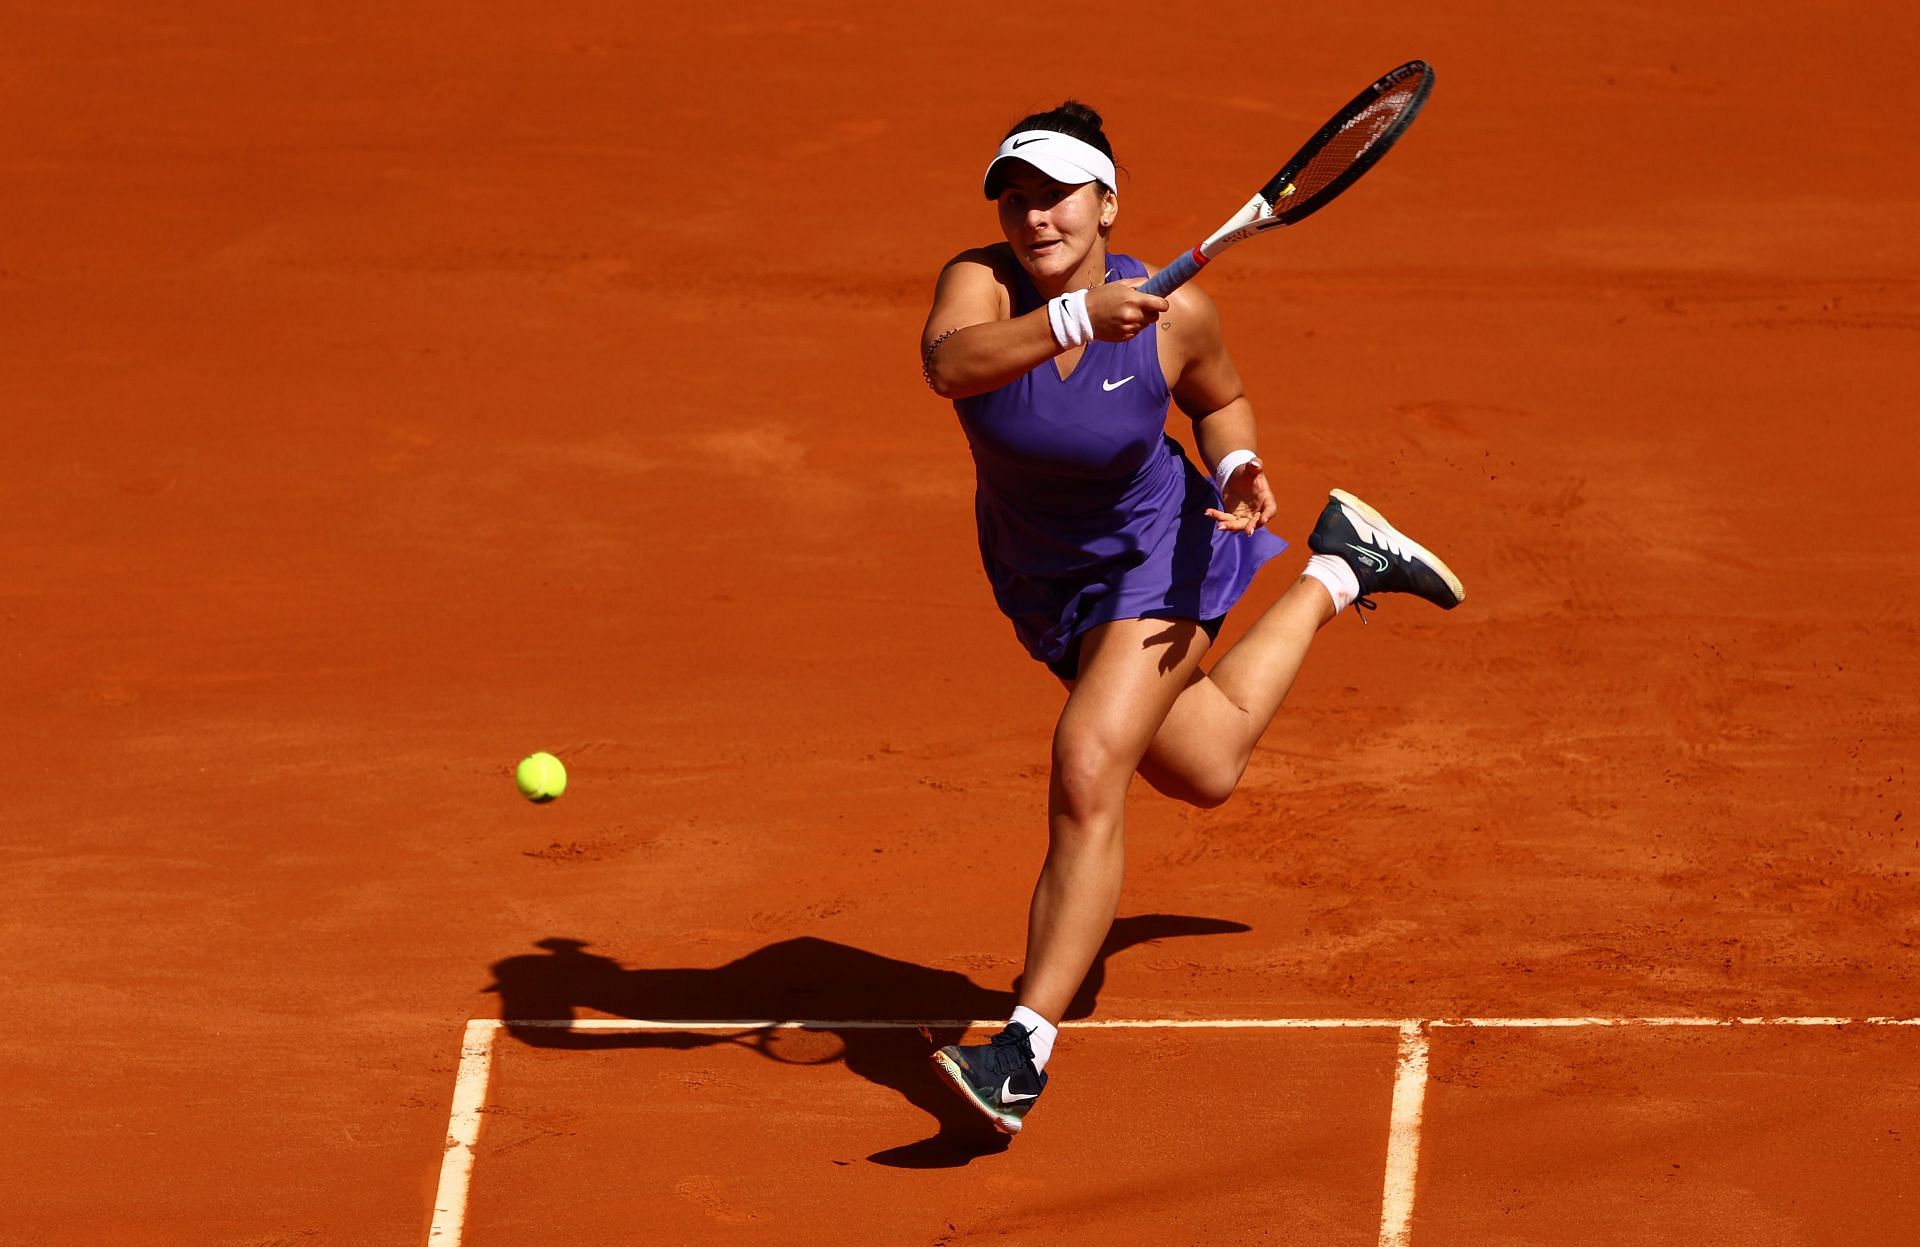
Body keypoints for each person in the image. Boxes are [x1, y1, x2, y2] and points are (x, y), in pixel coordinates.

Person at [920, 102, 1465, 1134]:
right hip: (1045, 577)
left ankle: (1022, 1048)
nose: (1034, 217)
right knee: (1206, 766)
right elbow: (950, 366)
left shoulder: (1179, 316)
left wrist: (1242, 464)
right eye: (1016, 197)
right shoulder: (979, 284)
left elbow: (1221, 402)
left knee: (1089, 761)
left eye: (1056, 195)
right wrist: (1080, 317)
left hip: (1159, 551)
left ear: (1107, 204)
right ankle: (1342, 568)